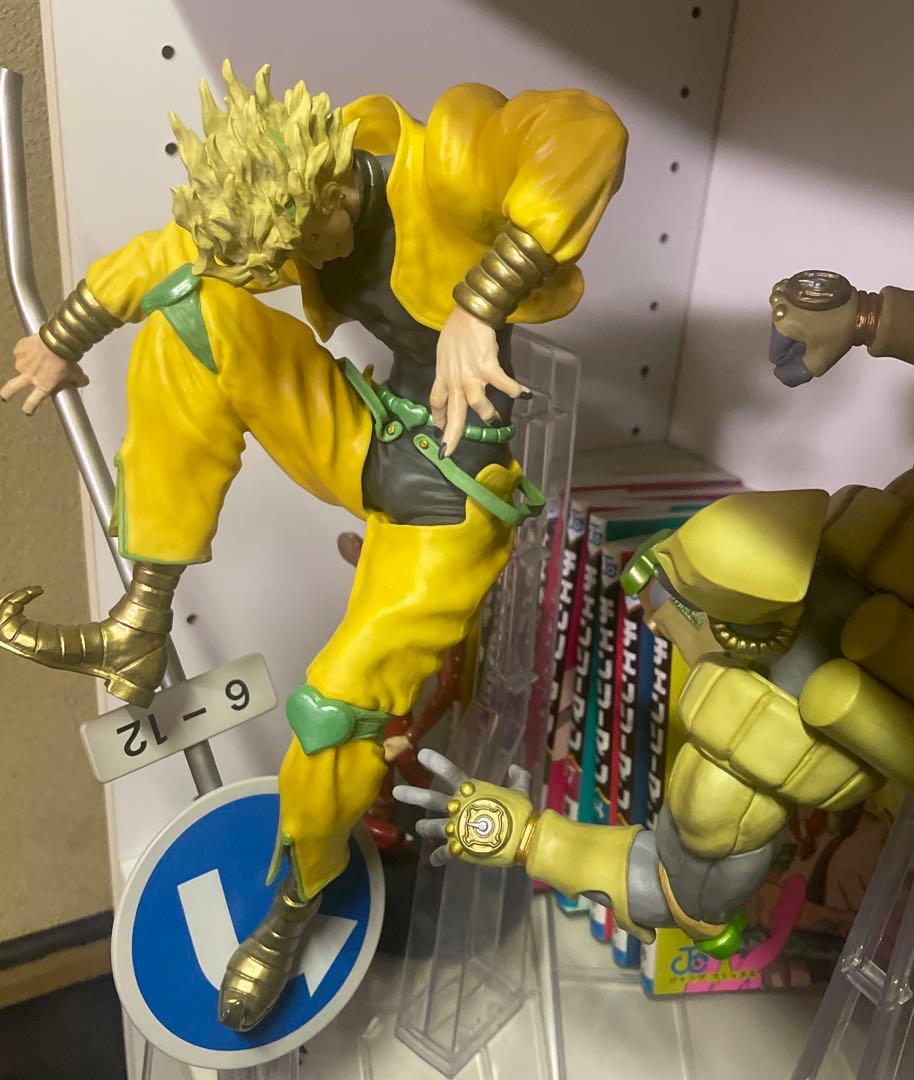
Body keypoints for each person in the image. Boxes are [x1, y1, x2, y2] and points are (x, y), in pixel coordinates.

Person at [0, 61, 627, 1031]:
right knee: (186, 318)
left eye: (289, 254)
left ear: (329, 193)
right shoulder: (288, 206)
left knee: (335, 710)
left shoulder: (447, 158)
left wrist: (482, 300)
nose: (281, 275)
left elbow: (586, 132)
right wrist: (65, 335)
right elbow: (175, 255)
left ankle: (294, 905)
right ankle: (141, 617)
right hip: (371, 433)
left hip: (453, 493)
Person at [397, 267, 914, 959]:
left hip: (864, 622)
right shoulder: (876, 539)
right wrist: (865, 318)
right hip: (862, 600)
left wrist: (525, 839)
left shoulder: (722, 818)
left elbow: (664, 887)